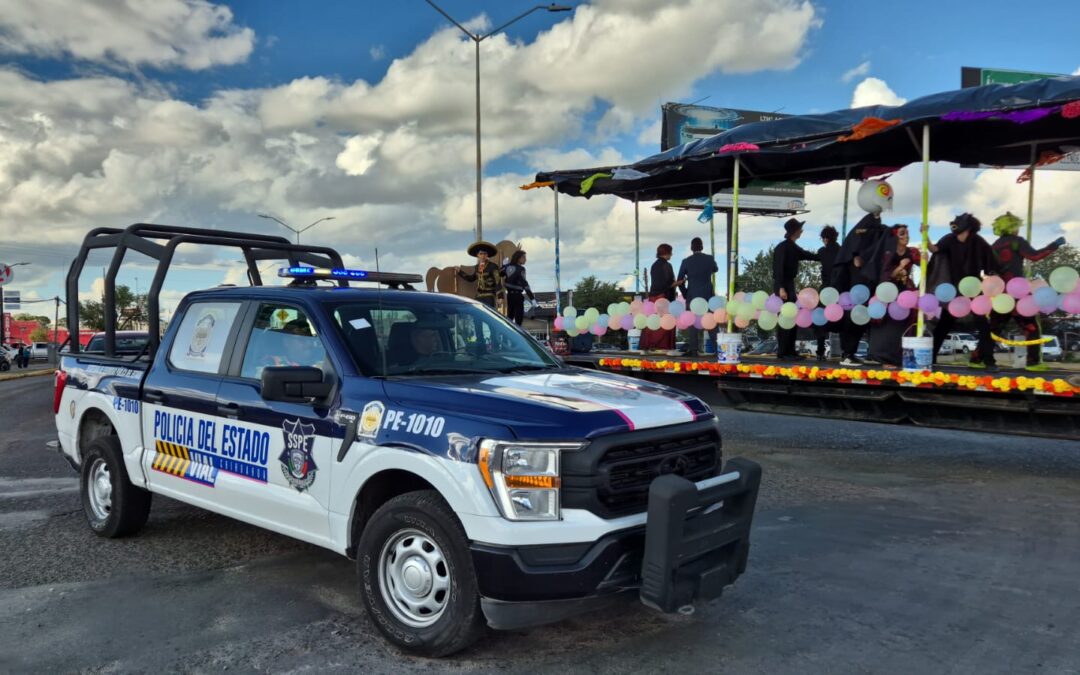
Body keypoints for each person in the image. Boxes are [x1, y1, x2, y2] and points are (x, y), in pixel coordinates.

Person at [985, 212, 1065, 371]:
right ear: (1012, 227)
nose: (1018, 230)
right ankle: (1033, 362)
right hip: (1018, 293)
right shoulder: (1016, 242)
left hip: (1001, 295)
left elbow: (988, 269)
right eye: (1017, 227)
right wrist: (1055, 245)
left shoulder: (994, 245)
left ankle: (977, 358)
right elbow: (1035, 256)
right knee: (1031, 328)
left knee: (992, 329)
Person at [924, 213, 1000, 370]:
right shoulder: (949, 239)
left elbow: (990, 266)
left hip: (973, 288)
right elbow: (934, 249)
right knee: (944, 324)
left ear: (969, 230)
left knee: (983, 324)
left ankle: (989, 361)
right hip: (955, 290)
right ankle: (930, 358)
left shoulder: (979, 242)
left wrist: (993, 280)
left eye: (962, 231)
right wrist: (925, 234)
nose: (960, 235)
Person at [834, 180, 896, 366]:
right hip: (860, 278)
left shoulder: (874, 223)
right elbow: (856, 245)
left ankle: (859, 352)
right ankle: (847, 353)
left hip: (867, 277)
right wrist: (857, 256)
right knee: (857, 314)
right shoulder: (867, 224)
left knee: (865, 315)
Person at [868, 225, 920, 367]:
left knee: (908, 324)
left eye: (908, 233)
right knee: (888, 327)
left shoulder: (912, 252)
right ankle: (884, 359)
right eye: (902, 233)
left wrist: (925, 237)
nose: (906, 236)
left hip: (905, 292)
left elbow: (925, 263)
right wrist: (900, 267)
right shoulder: (888, 253)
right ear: (895, 236)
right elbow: (886, 275)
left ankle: (903, 358)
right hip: (888, 292)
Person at [773, 218, 819, 360]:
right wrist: (781, 288)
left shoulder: (793, 247)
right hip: (783, 284)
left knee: (792, 317)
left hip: (789, 284)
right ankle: (783, 352)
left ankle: (790, 351)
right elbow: (778, 269)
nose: (802, 231)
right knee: (785, 317)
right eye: (800, 228)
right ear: (795, 231)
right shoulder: (782, 247)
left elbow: (807, 255)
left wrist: (824, 256)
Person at [677, 236, 719, 356]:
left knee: (692, 323)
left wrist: (685, 293)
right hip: (708, 295)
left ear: (691, 248)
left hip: (692, 296)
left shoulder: (686, 261)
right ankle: (717, 349)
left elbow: (680, 280)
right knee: (711, 322)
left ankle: (694, 349)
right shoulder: (709, 259)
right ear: (702, 247)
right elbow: (716, 269)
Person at [640, 243, 678, 350]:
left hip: (656, 298)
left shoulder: (655, 265)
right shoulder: (665, 265)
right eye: (670, 252)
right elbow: (665, 284)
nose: (672, 254)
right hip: (663, 298)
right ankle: (662, 345)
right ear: (666, 253)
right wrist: (676, 283)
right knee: (664, 323)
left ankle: (650, 345)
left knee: (654, 322)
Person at [815, 225, 841, 360]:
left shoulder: (822, 252)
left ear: (825, 238)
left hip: (825, 289)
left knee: (821, 319)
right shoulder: (841, 251)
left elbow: (815, 257)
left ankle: (820, 351)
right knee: (841, 318)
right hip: (839, 289)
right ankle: (846, 352)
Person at [456, 240, 503, 310]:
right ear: (477, 255)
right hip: (479, 297)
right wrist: (460, 272)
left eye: (485, 254)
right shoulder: (477, 267)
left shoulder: (493, 266)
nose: (483, 256)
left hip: (489, 296)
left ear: (487, 255)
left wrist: (500, 297)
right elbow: (471, 278)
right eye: (481, 254)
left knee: (489, 315)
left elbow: (498, 282)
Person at [502, 250, 536, 326]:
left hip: (509, 296)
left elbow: (500, 273)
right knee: (519, 319)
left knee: (509, 318)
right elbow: (524, 284)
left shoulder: (507, 267)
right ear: (518, 258)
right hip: (518, 296)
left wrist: (504, 265)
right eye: (523, 257)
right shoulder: (521, 269)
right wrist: (532, 298)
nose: (525, 259)